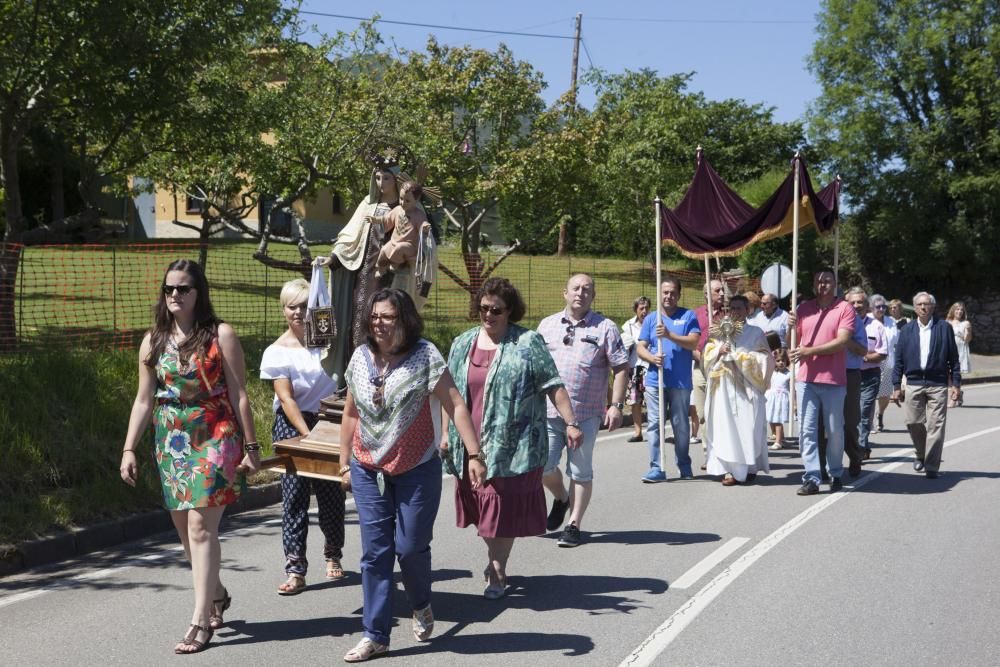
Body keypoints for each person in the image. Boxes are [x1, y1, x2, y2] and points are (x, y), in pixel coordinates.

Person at [120, 259, 260, 654]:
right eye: (169, 290)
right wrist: (129, 448)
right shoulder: (153, 340)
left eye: (183, 289)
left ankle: (200, 621)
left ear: (199, 293)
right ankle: (215, 591)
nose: (175, 296)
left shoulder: (221, 335)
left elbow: (240, 395)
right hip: (172, 440)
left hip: (215, 434)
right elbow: (143, 399)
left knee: (200, 528)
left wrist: (252, 449)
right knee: (186, 533)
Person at [339, 288, 481, 662]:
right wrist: (343, 462)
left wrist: (474, 454)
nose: (379, 324)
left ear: (404, 319)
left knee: (410, 547)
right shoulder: (359, 358)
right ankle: (376, 636)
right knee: (375, 554)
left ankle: (420, 602)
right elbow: (351, 413)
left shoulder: (425, 356)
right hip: (368, 466)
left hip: (417, 466)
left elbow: (455, 404)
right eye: (374, 317)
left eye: (387, 317)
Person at [443, 278, 580, 598]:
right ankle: (495, 557)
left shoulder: (528, 342)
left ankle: (497, 567)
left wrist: (571, 422)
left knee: (498, 509)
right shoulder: (462, 343)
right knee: (481, 508)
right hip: (468, 443)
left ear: (510, 311)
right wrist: (446, 435)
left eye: (496, 310)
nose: (488, 315)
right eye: (483, 309)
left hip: (511, 446)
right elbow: (447, 394)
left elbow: (553, 385)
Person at [259, 278, 345, 595]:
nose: (297, 312)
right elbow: (286, 399)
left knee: (331, 492)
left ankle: (333, 552)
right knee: (294, 495)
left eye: (304, 306)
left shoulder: (329, 343)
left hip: (330, 417)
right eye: (291, 306)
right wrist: (308, 436)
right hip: (293, 422)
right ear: (283, 310)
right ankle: (295, 569)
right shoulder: (275, 352)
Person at [538, 273, 629, 548]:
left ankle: (574, 524)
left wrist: (616, 405)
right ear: (564, 293)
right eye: (575, 288)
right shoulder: (547, 325)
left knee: (580, 470)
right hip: (548, 412)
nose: (581, 293)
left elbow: (621, 367)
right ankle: (562, 498)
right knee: (542, 466)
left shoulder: (605, 328)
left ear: (593, 296)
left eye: (587, 289)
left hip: (586, 414)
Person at [317, 158, 400, 389]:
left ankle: (387, 379)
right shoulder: (368, 204)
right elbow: (349, 237)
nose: (381, 182)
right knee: (359, 324)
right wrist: (333, 258)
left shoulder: (406, 207)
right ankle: (357, 382)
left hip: (393, 278)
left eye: (386, 178)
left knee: (390, 323)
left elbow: (419, 240)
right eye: (377, 177)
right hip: (364, 278)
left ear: (397, 180)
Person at [788, 268, 855, 495]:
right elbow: (793, 343)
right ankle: (812, 477)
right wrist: (789, 327)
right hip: (806, 379)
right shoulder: (803, 309)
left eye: (827, 281)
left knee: (834, 431)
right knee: (806, 430)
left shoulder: (844, 308)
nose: (822, 285)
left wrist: (810, 351)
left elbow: (842, 341)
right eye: (818, 281)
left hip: (834, 380)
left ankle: (835, 472)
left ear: (835, 284)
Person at [703, 296, 773, 485]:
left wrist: (739, 357)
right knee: (725, 429)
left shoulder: (755, 333)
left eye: (738, 308)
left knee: (746, 427)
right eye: (730, 308)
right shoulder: (718, 332)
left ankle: (749, 467)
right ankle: (729, 470)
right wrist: (718, 351)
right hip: (723, 388)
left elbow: (765, 358)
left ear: (748, 310)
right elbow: (706, 356)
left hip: (746, 387)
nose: (734, 311)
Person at [637, 277, 701, 482]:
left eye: (672, 292)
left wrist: (669, 335)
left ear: (679, 295)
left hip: (680, 381)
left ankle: (684, 464)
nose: (668, 296)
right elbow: (640, 347)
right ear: (660, 294)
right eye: (665, 292)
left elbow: (693, 343)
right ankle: (657, 467)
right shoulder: (651, 319)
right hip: (656, 381)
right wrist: (651, 358)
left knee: (680, 424)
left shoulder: (688, 315)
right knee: (655, 423)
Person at [891, 292, 961, 479]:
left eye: (927, 304)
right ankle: (920, 454)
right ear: (914, 308)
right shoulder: (907, 330)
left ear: (933, 307)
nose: (923, 307)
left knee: (936, 426)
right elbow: (898, 361)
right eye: (920, 304)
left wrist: (956, 384)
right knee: (914, 422)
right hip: (913, 382)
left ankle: (931, 466)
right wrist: (896, 385)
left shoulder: (944, 328)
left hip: (937, 383)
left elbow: (953, 359)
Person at [369, 180, 438, 310]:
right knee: (384, 250)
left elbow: (423, 224)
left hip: (409, 246)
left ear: (416, 201)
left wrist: (425, 227)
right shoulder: (397, 210)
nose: (402, 203)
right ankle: (381, 268)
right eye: (401, 199)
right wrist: (376, 220)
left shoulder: (419, 214)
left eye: (407, 201)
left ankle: (395, 264)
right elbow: (386, 219)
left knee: (400, 249)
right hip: (394, 242)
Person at [847, 287, 887, 464]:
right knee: (848, 416)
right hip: (847, 374)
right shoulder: (843, 324)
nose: (856, 306)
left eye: (860, 302)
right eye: (853, 302)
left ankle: (860, 450)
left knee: (863, 413)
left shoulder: (877, 326)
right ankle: (858, 445)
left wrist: (863, 355)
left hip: (869, 375)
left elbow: (882, 353)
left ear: (867, 305)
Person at [691, 280, 726, 450]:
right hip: (699, 367)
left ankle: (721, 450)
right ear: (706, 294)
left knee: (720, 412)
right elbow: (689, 341)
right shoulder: (695, 314)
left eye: (722, 290)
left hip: (722, 368)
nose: (722, 293)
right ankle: (708, 451)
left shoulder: (728, 315)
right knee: (702, 412)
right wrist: (698, 356)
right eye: (718, 290)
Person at [621, 296, 651, 443]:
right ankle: (638, 431)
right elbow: (624, 348)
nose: (644, 311)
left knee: (652, 401)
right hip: (635, 367)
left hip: (650, 366)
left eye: (646, 308)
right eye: (641, 308)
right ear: (636, 310)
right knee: (634, 401)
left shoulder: (653, 322)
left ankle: (654, 430)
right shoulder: (628, 326)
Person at [869, 293, 899, 433]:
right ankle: (868, 422)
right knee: (869, 393)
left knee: (885, 393)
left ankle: (880, 414)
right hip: (869, 360)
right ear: (871, 307)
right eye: (878, 307)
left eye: (883, 307)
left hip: (887, 361)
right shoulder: (866, 320)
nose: (881, 309)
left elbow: (896, 342)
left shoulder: (891, 321)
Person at [946, 301, 972, 406]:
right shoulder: (947, 322)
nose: (959, 311)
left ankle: (953, 398)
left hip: (960, 350)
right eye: (957, 309)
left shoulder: (966, 323)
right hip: (948, 350)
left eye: (961, 310)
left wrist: (968, 331)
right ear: (953, 310)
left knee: (956, 374)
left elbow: (967, 339)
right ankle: (958, 393)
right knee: (948, 375)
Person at [767, 348, 791, 450]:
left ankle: (778, 442)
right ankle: (781, 437)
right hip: (772, 397)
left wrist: (794, 403)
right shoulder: (773, 373)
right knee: (771, 418)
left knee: (778, 419)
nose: (781, 363)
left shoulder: (789, 374)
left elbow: (792, 388)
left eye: (783, 360)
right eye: (778, 361)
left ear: (787, 361)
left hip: (781, 399)